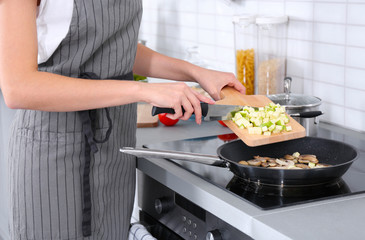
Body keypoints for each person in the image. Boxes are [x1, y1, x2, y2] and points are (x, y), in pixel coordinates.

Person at [0, 0, 245, 239]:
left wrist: (196, 72)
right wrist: (143, 91)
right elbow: (18, 87)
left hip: (114, 149)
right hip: (54, 155)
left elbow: (117, 48)